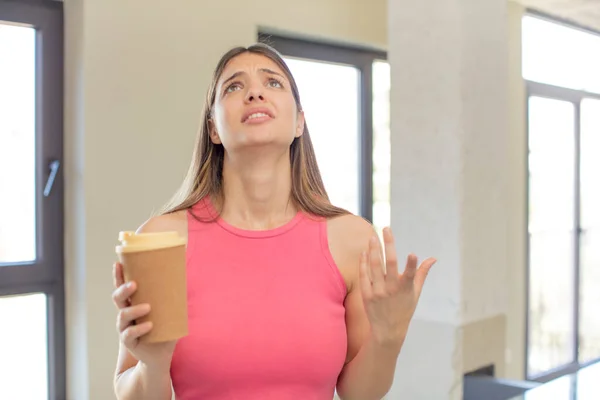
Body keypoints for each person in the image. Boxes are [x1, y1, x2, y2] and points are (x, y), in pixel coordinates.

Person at [111, 42, 436, 400]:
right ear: (214, 129)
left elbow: (359, 393)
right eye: (234, 86)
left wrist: (388, 339)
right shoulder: (163, 238)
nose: (254, 93)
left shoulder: (351, 239)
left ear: (299, 121)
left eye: (273, 83)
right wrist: (152, 365)